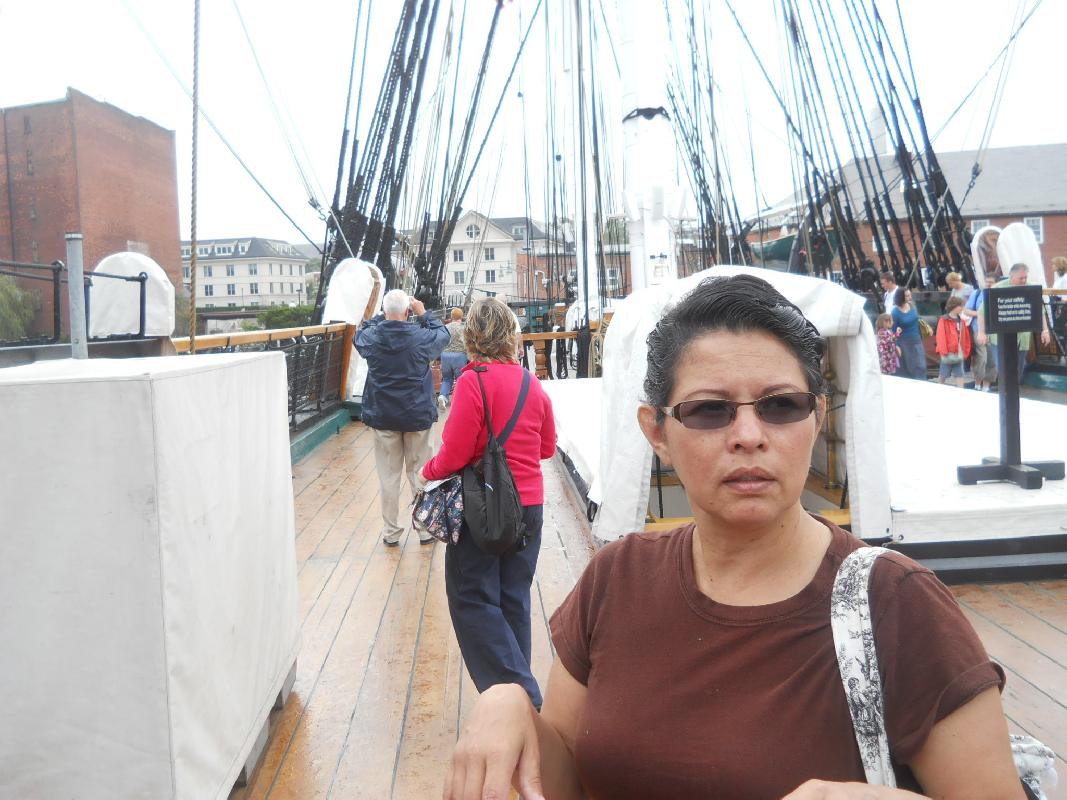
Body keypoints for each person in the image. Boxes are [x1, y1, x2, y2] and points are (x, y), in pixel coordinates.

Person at [444, 275, 1020, 800]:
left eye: (781, 406)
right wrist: (509, 703)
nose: (749, 435)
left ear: (816, 417)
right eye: (709, 410)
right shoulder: (615, 581)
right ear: (658, 433)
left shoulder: (899, 605)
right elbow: (569, 773)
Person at [421, 297, 556, 709]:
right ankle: (516, 691)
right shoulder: (532, 383)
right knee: (513, 596)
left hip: (485, 508)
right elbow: (546, 448)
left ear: (474, 336)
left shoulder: (472, 381)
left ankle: (521, 699)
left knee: (473, 597)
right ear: (511, 336)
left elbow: (456, 452)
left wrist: (428, 472)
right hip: (529, 505)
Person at [355, 289, 449, 547]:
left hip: (384, 416)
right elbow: (444, 335)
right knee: (420, 473)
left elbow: (359, 333)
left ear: (386, 312)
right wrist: (423, 313)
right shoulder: (421, 337)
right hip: (417, 415)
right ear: (408, 312)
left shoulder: (372, 338)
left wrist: (380, 316)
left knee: (389, 476)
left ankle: (391, 532)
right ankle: (423, 529)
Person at [977, 262, 1052, 385]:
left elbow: (1040, 311)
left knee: (1018, 369)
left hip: (1022, 338)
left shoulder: (1031, 288)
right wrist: (981, 332)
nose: (1024, 280)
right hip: (1000, 338)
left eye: (1025, 277)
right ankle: (1005, 396)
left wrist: (1045, 330)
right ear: (1011, 276)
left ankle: (1014, 395)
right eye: (1020, 278)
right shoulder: (997, 288)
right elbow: (982, 312)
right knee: (1004, 368)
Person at [962, 272, 998, 391]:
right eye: (986, 282)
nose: (988, 284)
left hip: (994, 332)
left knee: (992, 360)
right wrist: (980, 314)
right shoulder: (977, 293)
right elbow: (966, 310)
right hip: (978, 330)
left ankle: (986, 386)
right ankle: (977, 384)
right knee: (982, 358)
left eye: (991, 283)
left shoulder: (999, 295)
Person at [934, 296, 972, 387]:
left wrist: (965, 351)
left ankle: (961, 392)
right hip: (947, 352)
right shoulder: (944, 320)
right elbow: (941, 336)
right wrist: (944, 351)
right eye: (960, 306)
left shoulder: (961, 320)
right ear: (954, 306)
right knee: (943, 375)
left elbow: (966, 337)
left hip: (958, 352)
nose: (962, 308)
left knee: (960, 374)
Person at [891, 287, 926, 380]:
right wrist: (896, 345)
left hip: (916, 339)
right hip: (904, 342)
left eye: (910, 295)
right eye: (907, 296)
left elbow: (917, 319)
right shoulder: (895, 312)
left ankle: (922, 384)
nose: (910, 297)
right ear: (901, 297)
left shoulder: (912, 306)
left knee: (920, 365)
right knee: (908, 367)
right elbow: (894, 330)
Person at [439, 307, 468, 410]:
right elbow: (466, 344)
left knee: (446, 379)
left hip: (445, 355)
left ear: (451, 317)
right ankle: (459, 400)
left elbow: (440, 342)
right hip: (459, 356)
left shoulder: (445, 327)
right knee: (460, 379)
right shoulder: (463, 328)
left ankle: (443, 396)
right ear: (461, 316)